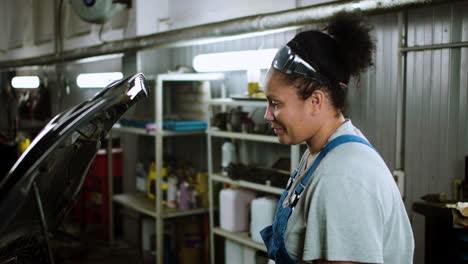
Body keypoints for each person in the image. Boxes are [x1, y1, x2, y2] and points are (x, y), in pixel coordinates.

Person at [260, 12, 414, 264]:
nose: (268, 115)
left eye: (275, 103)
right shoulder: (320, 152)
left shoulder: (341, 177)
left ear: (315, 101)